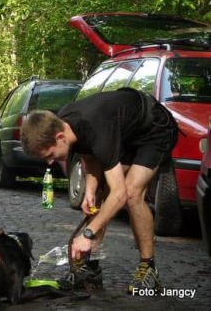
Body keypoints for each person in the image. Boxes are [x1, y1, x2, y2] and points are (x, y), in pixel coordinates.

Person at [20, 88, 178, 293]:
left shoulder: (97, 127)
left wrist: (88, 234)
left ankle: (148, 270)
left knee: (129, 193)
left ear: (60, 137)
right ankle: (88, 270)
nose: (50, 161)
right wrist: (90, 191)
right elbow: (90, 156)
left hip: (155, 129)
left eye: (49, 154)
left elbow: (119, 193)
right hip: (125, 133)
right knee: (100, 199)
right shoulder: (68, 121)